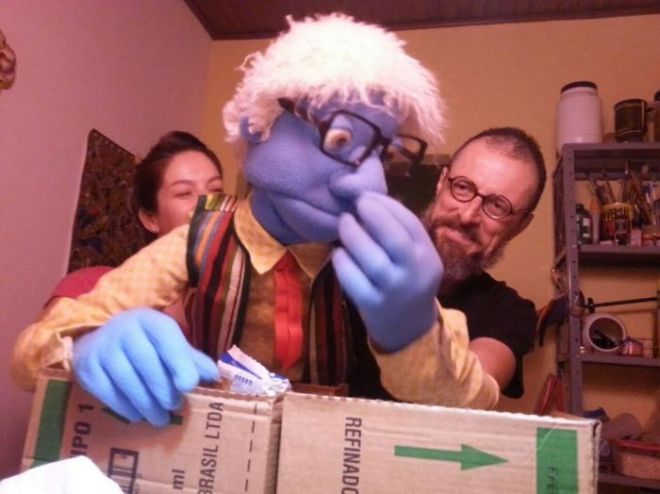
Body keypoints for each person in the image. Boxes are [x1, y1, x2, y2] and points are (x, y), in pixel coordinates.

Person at [12, 14, 509, 428]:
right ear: (258, 126)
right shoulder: (199, 239)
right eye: (340, 140)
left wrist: (413, 330)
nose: (369, 184)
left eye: (381, 154)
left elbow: (475, 404)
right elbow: (32, 353)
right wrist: (87, 346)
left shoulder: (367, 257)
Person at [349, 127, 545, 402]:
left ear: (520, 226)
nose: (467, 216)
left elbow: (472, 395)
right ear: (442, 182)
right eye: (462, 187)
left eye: (498, 206)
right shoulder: (358, 256)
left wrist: (414, 310)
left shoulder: (510, 311)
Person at [46, 130, 224, 329]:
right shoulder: (90, 288)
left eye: (217, 190)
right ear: (150, 218)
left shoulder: (229, 309)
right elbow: (41, 344)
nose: (209, 204)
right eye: (184, 193)